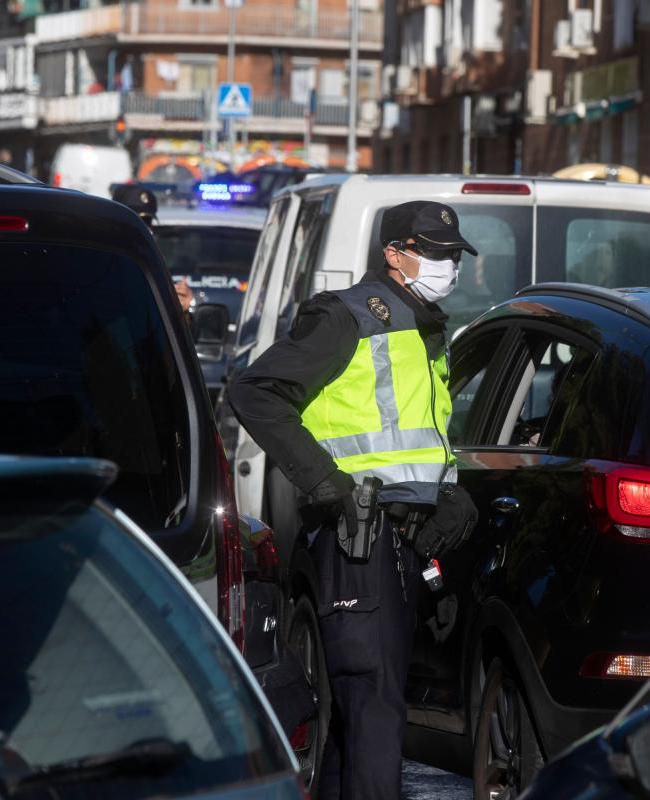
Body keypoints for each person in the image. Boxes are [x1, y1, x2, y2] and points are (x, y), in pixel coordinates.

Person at [229, 201, 479, 799]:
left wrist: (448, 494)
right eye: (433, 251)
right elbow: (255, 392)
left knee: (359, 711)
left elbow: (421, 436)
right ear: (394, 253)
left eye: (453, 254)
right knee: (371, 705)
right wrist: (328, 485)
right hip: (358, 536)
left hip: (403, 541)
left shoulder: (425, 325)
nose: (447, 264)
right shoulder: (346, 317)